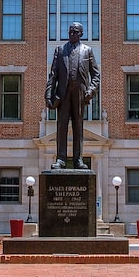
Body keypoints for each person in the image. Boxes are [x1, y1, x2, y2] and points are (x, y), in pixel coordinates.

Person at [45, 22, 101, 168]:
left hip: (79, 95)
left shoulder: (87, 51)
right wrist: (48, 95)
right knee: (61, 127)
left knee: (78, 127)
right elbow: (53, 75)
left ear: (81, 34)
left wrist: (90, 91)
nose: (71, 34)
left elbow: (96, 75)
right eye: (70, 32)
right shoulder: (60, 50)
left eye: (75, 32)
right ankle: (61, 159)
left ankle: (78, 160)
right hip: (62, 95)